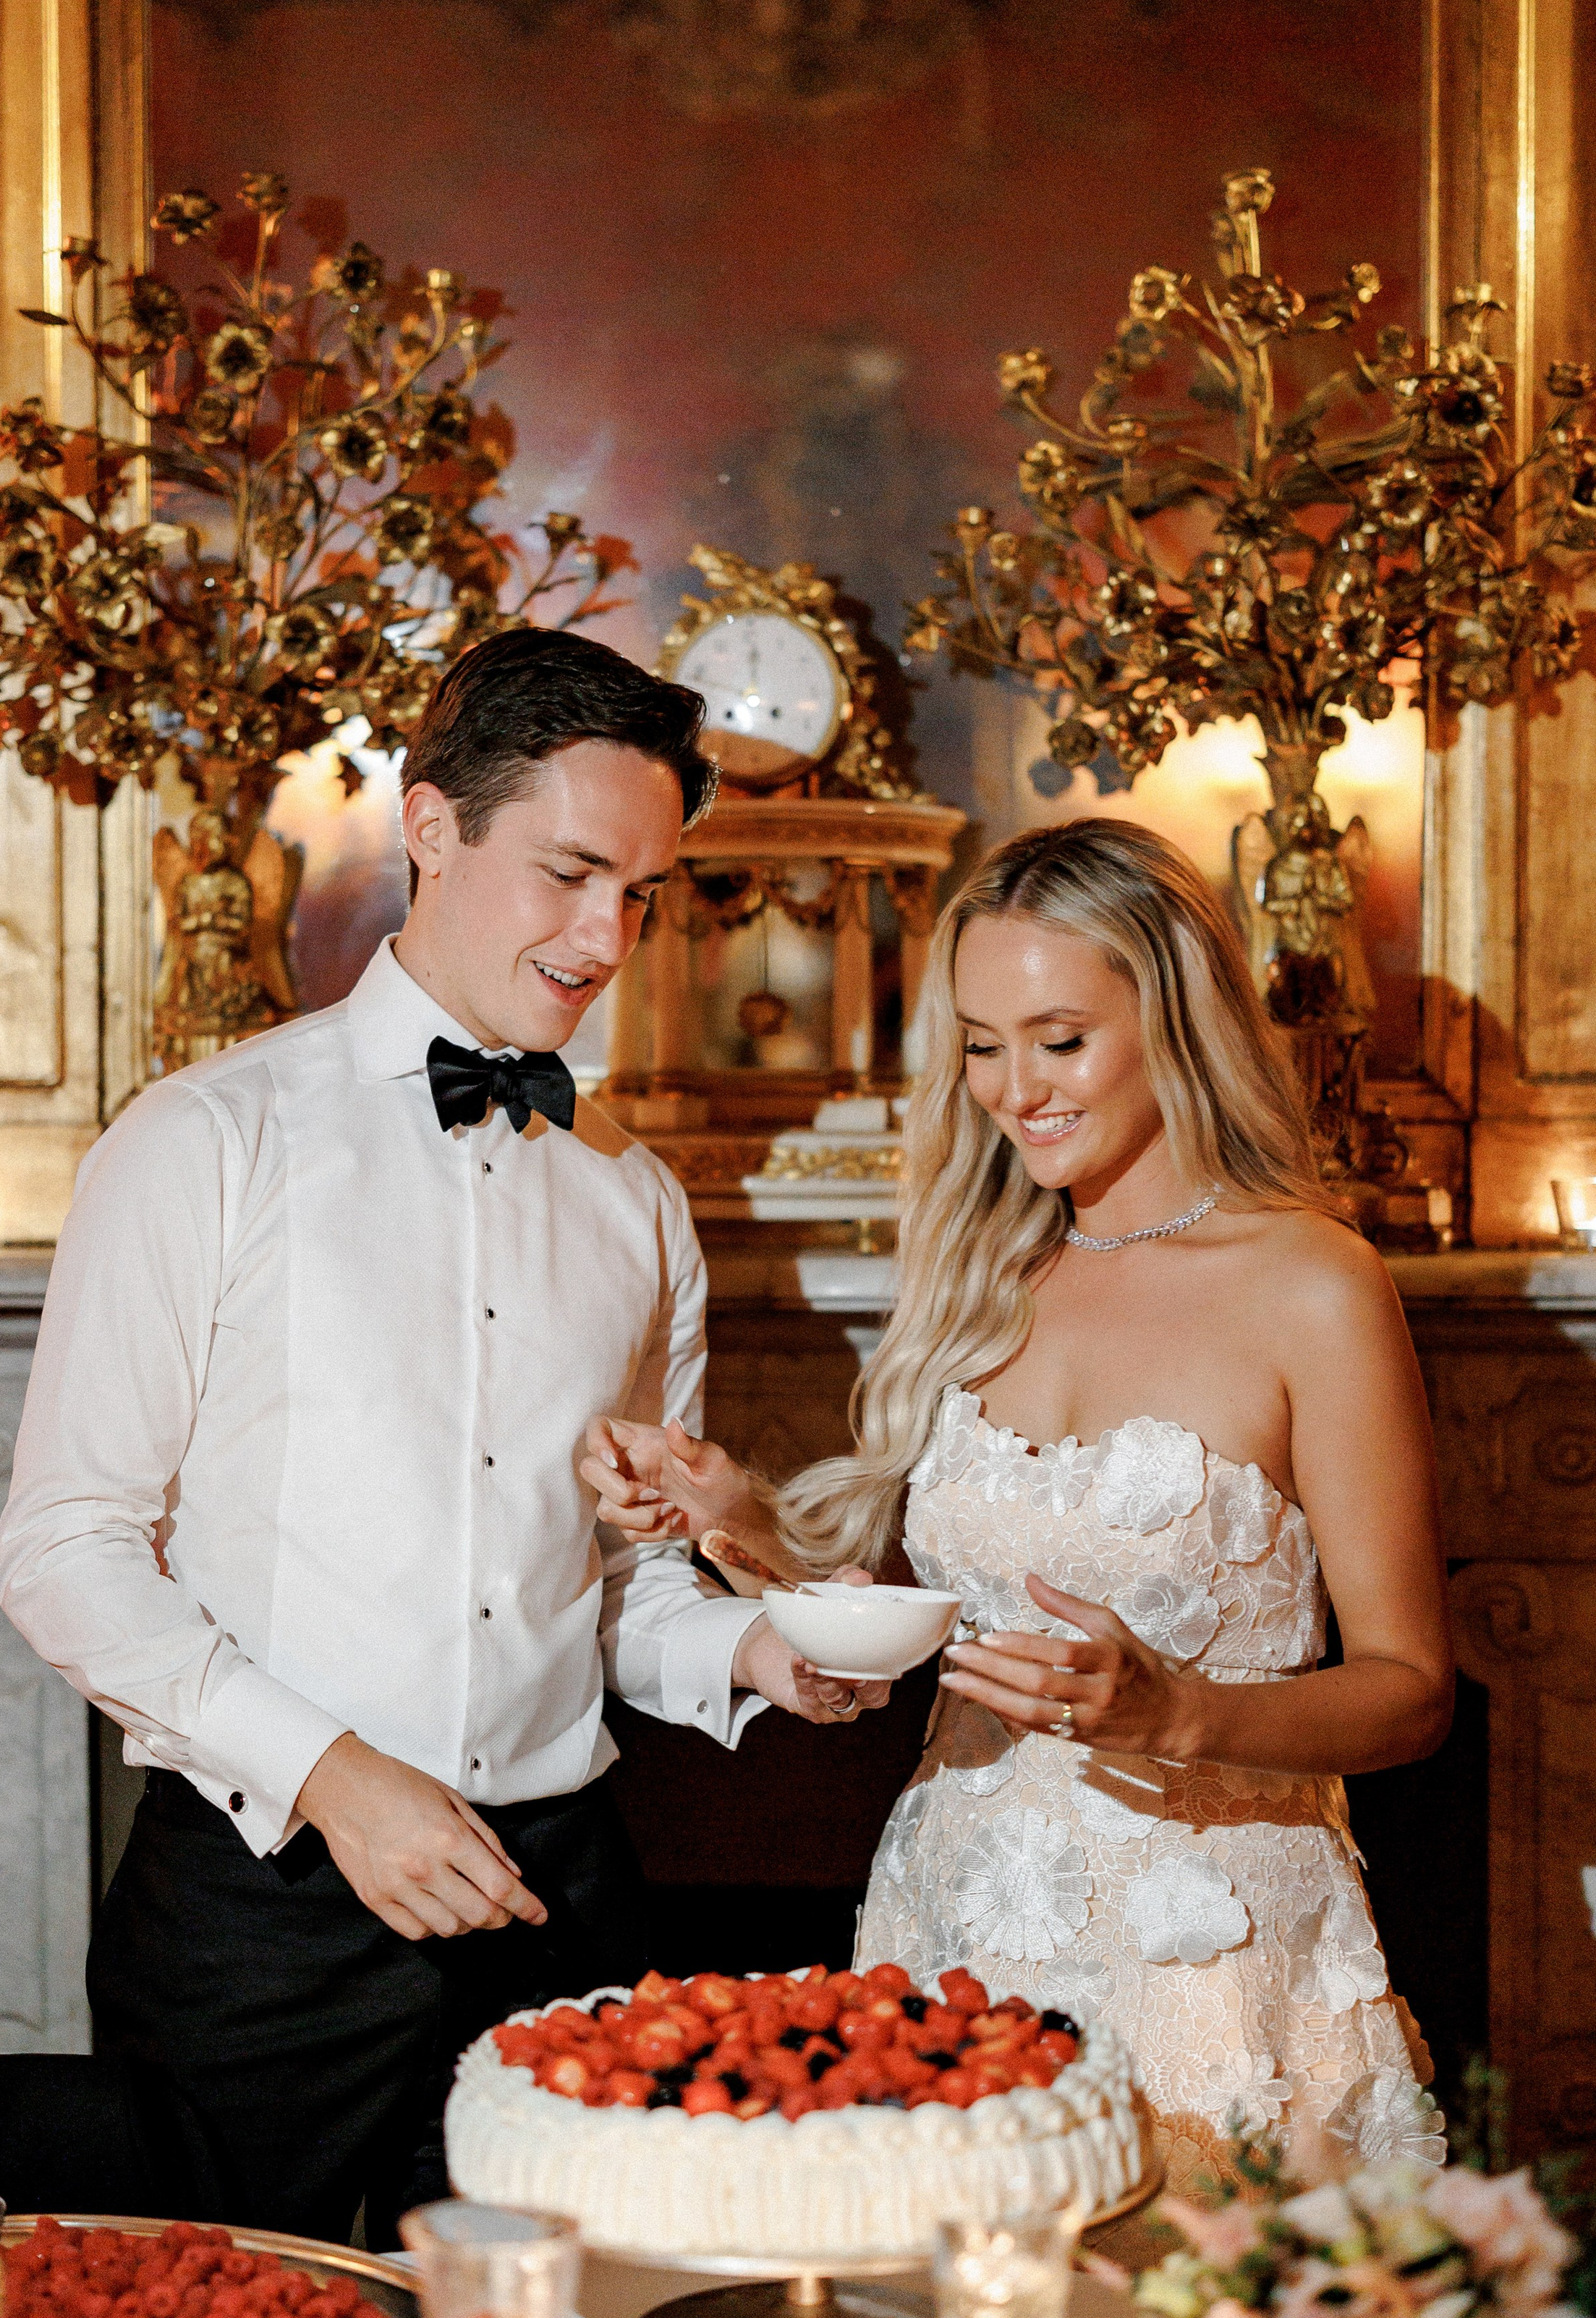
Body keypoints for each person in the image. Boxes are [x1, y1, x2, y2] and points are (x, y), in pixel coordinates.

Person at [0, 627, 877, 2246]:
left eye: (642, 893)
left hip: (564, 1917)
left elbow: (630, 1596)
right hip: (264, 1933)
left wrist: (762, 1659)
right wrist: (333, 1776)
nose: (606, 935)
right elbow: (63, 1555)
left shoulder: (636, 1202)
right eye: (566, 873)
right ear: (428, 828)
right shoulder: (203, 1143)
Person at [584, 815, 1453, 2181]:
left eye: (1060, 1039)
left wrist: (1185, 1711)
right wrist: (742, 1525)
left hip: (1211, 1962)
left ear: (1173, 1020)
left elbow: (1412, 1688)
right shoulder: (982, 1271)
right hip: (957, 1928)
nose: (1014, 1087)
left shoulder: (1312, 1285)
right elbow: (932, 1626)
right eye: (983, 1046)